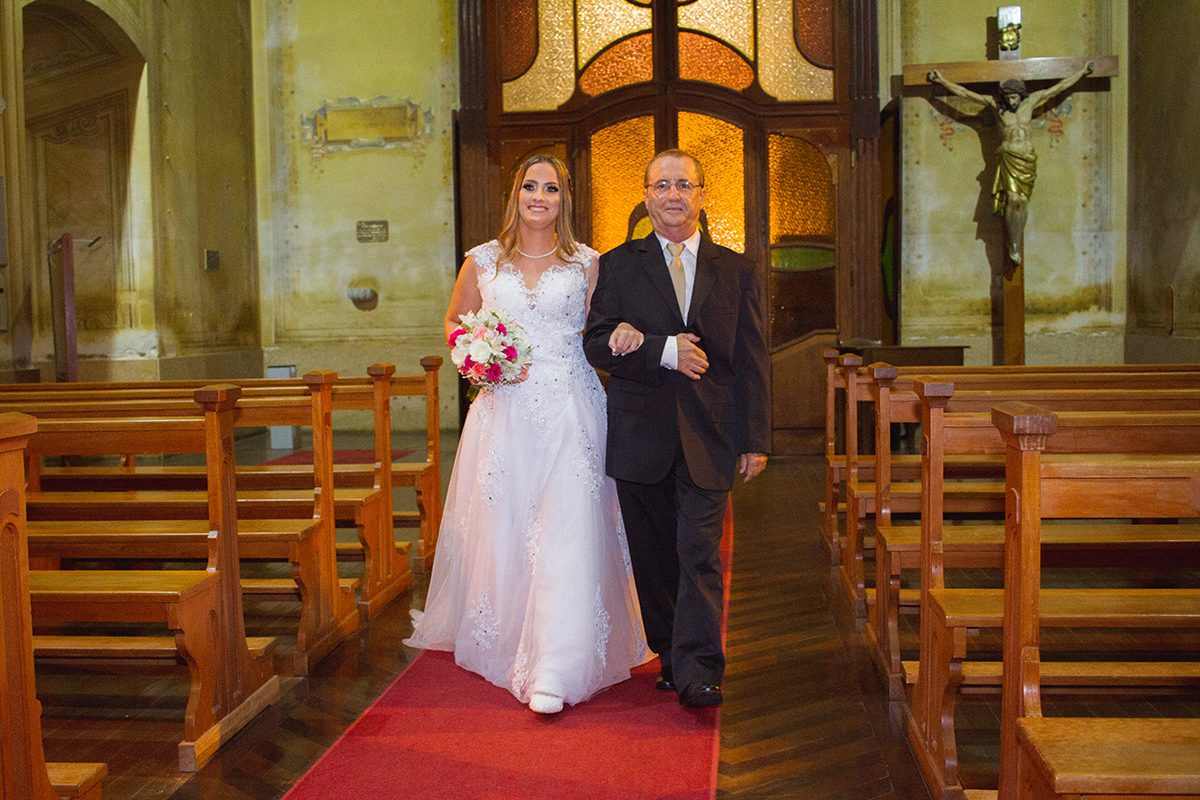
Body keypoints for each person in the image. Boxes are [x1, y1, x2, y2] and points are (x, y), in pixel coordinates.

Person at [405, 154, 646, 715]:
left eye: (552, 189)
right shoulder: (482, 261)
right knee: (509, 523)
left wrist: (629, 328)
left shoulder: (588, 262)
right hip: (505, 408)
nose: (540, 197)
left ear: (565, 200)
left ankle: (557, 665)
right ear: (516, 194)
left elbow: (604, 324)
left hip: (571, 404)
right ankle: (515, 635)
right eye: (531, 186)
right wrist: (475, 356)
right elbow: (455, 320)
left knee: (567, 524)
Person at [582, 149, 771, 708]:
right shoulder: (619, 265)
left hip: (711, 435)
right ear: (645, 196)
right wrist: (659, 351)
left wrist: (755, 437)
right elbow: (595, 343)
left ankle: (699, 670)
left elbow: (753, 357)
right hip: (642, 435)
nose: (673, 195)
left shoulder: (736, 269)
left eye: (683, 185)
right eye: (661, 185)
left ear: (702, 195)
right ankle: (669, 653)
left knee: (699, 552)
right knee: (655, 557)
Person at [927, 62, 1093, 264]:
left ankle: (1015, 239)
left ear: (1021, 95)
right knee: (1013, 200)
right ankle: (1013, 246)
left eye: (1014, 97)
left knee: (1022, 202)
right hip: (1008, 158)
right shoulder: (996, 106)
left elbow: (1058, 88)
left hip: (1026, 159)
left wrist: (1082, 71)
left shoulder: (1031, 102)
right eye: (1008, 98)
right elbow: (965, 93)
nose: (1011, 101)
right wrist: (942, 81)